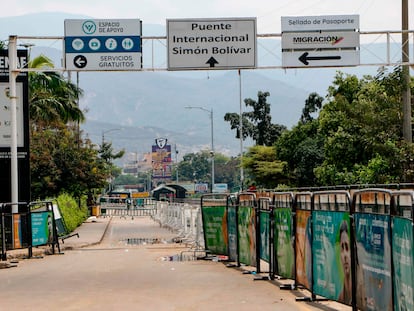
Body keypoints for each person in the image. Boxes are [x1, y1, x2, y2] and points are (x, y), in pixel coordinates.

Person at [338, 220, 352, 305]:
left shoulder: (362, 294)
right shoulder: (340, 297)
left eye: (347, 247)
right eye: (342, 248)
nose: (345, 255)